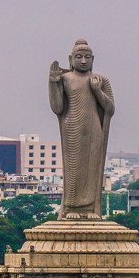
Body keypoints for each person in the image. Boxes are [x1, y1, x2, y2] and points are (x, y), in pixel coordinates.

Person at [48, 40, 115, 219]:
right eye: (79, 57)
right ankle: (71, 208)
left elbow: (110, 109)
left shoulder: (100, 80)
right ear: (71, 59)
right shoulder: (66, 79)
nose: (83, 61)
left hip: (94, 129)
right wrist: (53, 84)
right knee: (74, 169)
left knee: (92, 169)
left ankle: (91, 209)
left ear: (93, 59)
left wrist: (97, 90)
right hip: (72, 127)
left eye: (87, 57)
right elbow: (57, 108)